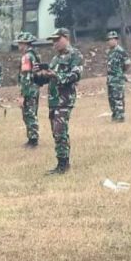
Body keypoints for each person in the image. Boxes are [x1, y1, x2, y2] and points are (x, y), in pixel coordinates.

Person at [35, 27, 83, 174]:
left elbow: (75, 76)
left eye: (57, 40)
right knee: (56, 132)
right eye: (53, 41)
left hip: (65, 99)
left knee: (60, 130)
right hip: (54, 99)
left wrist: (55, 75)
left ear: (66, 38)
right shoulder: (55, 59)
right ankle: (61, 162)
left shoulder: (75, 55)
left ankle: (63, 164)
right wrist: (39, 75)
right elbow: (48, 79)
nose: (54, 43)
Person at [16, 32, 41, 148]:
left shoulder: (26, 57)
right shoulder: (35, 55)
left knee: (28, 114)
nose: (18, 46)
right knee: (32, 113)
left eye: (20, 43)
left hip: (29, 90)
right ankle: (32, 137)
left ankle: (33, 140)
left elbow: (25, 77)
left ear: (25, 44)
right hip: (35, 88)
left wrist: (22, 95)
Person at [105, 30, 131, 122]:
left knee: (118, 98)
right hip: (110, 79)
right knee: (111, 98)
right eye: (109, 39)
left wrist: (120, 72)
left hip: (117, 79)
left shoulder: (120, 51)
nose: (110, 41)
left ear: (116, 40)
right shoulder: (109, 52)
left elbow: (127, 63)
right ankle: (115, 115)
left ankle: (120, 117)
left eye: (112, 39)